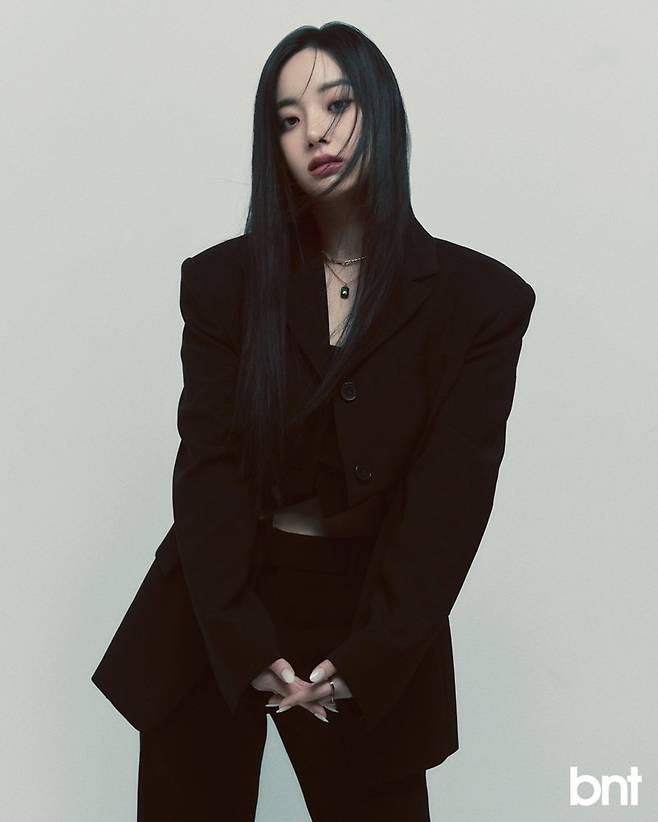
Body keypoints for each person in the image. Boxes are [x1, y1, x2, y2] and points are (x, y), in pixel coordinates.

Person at [91, 21, 536, 822]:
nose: (314, 134)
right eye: (287, 119)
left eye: (337, 104)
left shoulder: (480, 303)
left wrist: (373, 655)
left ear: (384, 114)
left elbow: (449, 504)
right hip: (218, 601)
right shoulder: (224, 282)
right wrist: (241, 639)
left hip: (366, 607)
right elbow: (208, 474)